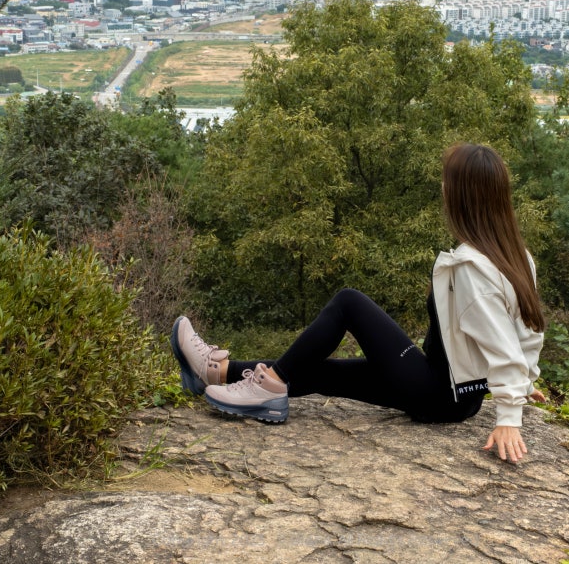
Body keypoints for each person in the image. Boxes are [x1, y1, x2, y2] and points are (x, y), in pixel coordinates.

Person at [171, 143, 546, 463]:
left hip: (435, 391)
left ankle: (271, 386)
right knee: (321, 371)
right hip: (456, 396)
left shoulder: (472, 269)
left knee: (349, 302)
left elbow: (502, 340)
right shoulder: (514, 255)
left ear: (462, 196)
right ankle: (215, 374)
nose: (442, 188)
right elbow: (527, 331)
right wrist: (525, 380)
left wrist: (510, 415)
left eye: (447, 182)